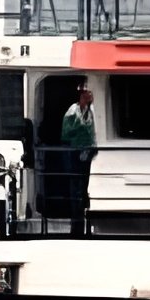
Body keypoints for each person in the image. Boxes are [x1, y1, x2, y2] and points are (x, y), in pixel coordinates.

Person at [53, 79, 98, 232]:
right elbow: (66, 133)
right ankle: (76, 223)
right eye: (86, 93)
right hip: (74, 153)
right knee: (75, 188)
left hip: (86, 153)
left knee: (84, 187)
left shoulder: (91, 111)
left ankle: (83, 219)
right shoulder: (73, 111)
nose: (89, 95)